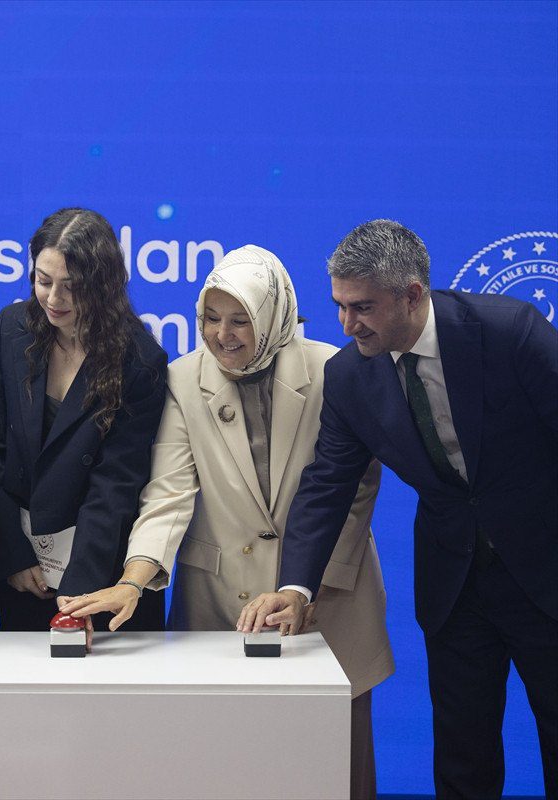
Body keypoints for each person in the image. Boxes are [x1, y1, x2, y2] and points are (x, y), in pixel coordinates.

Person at [238, 220, 557, 799]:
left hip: (546, 574)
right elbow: (327, 483)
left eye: (362, 307)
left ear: (412, 295)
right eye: (339, 306)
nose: (346, 324)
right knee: (463, 759)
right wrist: (296, 587)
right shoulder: (349, 376)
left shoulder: (508, 331)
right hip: (455, 586)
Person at [62, 245, 393, 798]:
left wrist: (307, 586)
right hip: (223, 606)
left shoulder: (333, 369)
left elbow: (355, 489)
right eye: (211, 318)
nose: (222, 335)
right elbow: (168, 493)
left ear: (272, 314)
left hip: (330, 601)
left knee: (334, 767)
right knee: (228, 769)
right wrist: (132, 580)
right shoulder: (182, 378)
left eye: (240, 319)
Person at [0, 207, 167, 633]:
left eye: (71, 287)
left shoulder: (139, 360)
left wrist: (79, 592)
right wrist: (14, 555)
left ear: (103, 285)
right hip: (23, 570)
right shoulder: (12, 328)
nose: (54, 299)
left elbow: (115, 485)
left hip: (100, 572)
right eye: (44, 281)